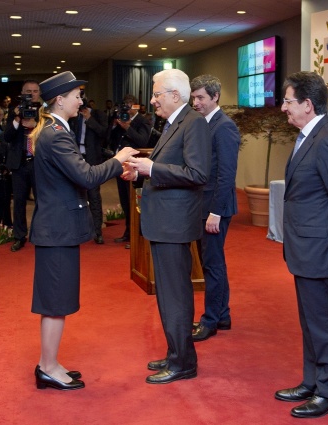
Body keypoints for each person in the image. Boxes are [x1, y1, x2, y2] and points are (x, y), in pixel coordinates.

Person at [30, 71, 138, 391]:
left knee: (57, 300)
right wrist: (118, 160)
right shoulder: (55, 134)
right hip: (56, 230)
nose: (81, 100)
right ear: (59, 100)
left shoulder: (54, 129)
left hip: (57, 228)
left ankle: (49, 362)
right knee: (55, 302)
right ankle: (47, 367)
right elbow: (87, 177)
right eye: (76, 95)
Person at [274, 71, 328, 418]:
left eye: (288, 101)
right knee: (311, 320)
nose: (284, 108)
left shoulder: (326, 139)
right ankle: (312, 381)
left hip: (321, 248)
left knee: (325, 323)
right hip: (306, 247)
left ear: (308, 105)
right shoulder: (307, 135)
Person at [124, 69, 209, 384]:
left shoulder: (194, 123)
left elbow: (197, 172)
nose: (152, 99)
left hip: (174, 226)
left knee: (176, 295)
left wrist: (153, 168)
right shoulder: (176, 123)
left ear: (175, 95)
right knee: (170, 294)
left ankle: (183, 362)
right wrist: (142, 173)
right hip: (165, 223)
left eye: (157, 93)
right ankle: (177, 354)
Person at [189, 75, 240, 342]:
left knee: (212, 264)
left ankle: (211, 320)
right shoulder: (205, 123)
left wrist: (216, 213)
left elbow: (226, 175)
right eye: (193, 97)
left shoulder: (224, 127)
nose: (195, 102)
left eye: (200, 98)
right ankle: (222, 314)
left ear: (215, 97)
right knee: (213, 262)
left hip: (215, 209)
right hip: (204, 206)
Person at [108, 94, 151, 247]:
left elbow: (143, 141)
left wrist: (128, 127)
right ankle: (128, 232)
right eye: (124, 104)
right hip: (121, 165)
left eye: (129, 105)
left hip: (135, 167)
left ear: (135, 106)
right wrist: (115, 124)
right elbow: (110, 139)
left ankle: (136, 235)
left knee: (135, 203)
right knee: (125, 202)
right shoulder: (121, 119)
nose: (127, 108)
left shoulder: (142, 121)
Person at [4, 80, 41, 252]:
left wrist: (36, 125)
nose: (31, 94)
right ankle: (19, 236)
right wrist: (18, 119)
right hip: (19, 163)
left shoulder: (44, 112)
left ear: (39, 93)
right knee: (19, 201)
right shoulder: (14, 112)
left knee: (42, 200)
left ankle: (40, 234)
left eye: (34, 91)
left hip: (38, 163)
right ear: (21, 93)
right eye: (28, 91)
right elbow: (7, 136)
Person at [69, 97, 108, 244]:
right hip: (76, 159)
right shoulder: (73, 117)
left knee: (93, 195)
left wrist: (89, 119)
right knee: (76, 195)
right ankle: (79, 230)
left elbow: (104, 132)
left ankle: (97, 231)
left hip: (92, 160)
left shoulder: (98, 115)